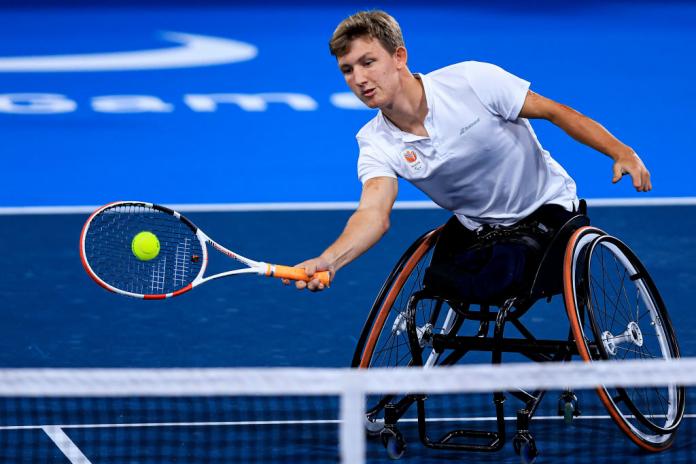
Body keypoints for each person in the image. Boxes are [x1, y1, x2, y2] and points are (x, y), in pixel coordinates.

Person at [286, 10, 651, 292]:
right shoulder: (375, 141)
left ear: (399, 57)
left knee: (500, 273)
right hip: (478, 228)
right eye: (347, 70)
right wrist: (330, 260)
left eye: (368, 62)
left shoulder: (471, 81)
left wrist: (621, 151)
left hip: (546, 210)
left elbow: (556, 112)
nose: (359, 79)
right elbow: (373, 213)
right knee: (432, 287)